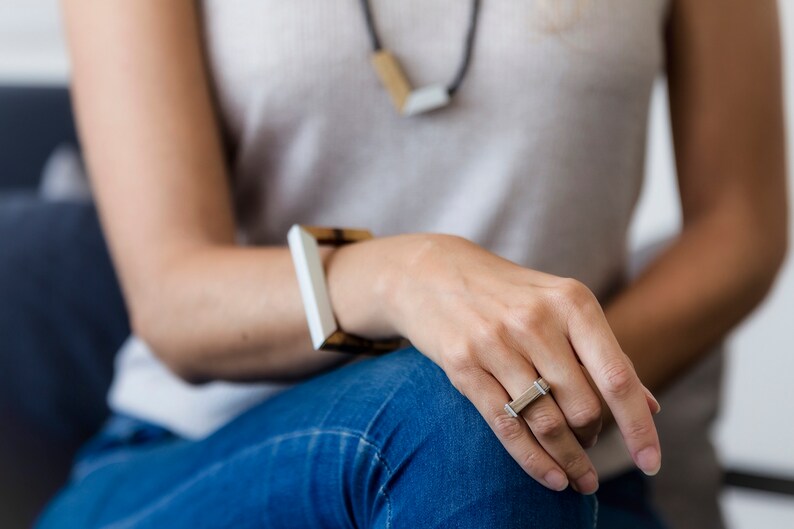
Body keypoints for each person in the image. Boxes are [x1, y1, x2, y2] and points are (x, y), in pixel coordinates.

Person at [36, 0, 787, 527]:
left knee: (477, 419)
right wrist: (404, 276)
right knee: (463, 411)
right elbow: (174, 298)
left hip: (562, 476)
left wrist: (543, 382)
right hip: (209, 459)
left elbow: (740, 227)